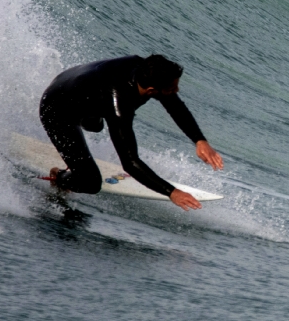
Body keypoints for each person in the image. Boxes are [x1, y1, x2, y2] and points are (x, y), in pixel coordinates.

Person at [39, 54, 223, 210]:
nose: (177, 91)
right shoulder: (119, 105)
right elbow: (130, 162)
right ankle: (59, 177)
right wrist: (172, 192)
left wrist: (200, 140)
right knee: (90, 182)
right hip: (56, 110)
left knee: (96, 125)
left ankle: (87, 120)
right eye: (172, 88)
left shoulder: (144, 69)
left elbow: (175, 107)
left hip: (70, 83)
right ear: (151, 91)